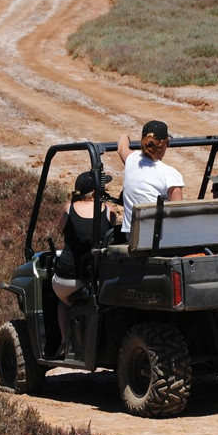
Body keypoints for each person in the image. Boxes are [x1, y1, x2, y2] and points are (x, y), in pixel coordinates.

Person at [52, 169, 115, 357]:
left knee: (62, 301)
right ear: (96, 192)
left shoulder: (68, 208)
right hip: (96, 279)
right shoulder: (108, 211)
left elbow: (61, 228)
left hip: (67, 279)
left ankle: (65, 341)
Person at [117, 119, 184, 239]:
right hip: (161, 239)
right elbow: (177, 214)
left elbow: (121, 147)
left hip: (133, 236)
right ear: (165, 145)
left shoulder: (131, 160)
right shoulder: (170, 173)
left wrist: (124, 136)